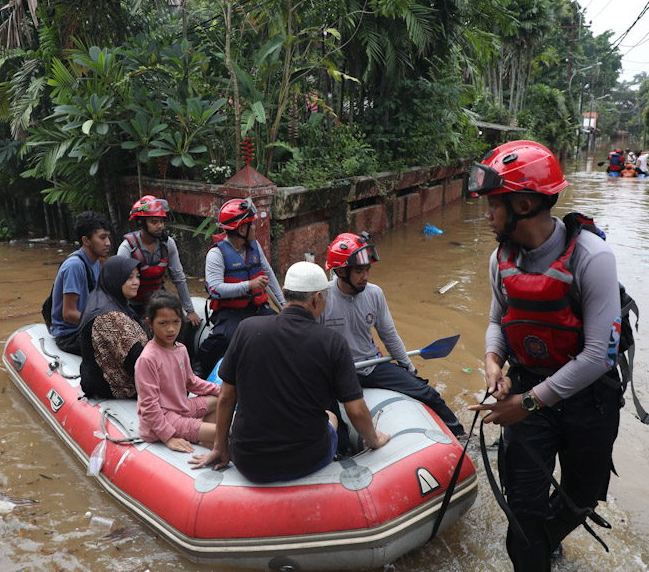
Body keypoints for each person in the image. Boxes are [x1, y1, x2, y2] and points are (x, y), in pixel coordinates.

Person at [466, 140, 624, 571]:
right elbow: (498, 320)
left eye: (493, 206)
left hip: (587, 399)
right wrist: (493, 362)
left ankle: (548, 540)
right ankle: (532, 549)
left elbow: (598, 355)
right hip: (527, 390)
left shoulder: (593, 258)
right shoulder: (501, 259)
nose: (487, 216)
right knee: (522, 513)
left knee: (582, 498)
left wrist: (528, 402)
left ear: (523, 203)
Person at [190, 262, 389, 482]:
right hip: (308, 459)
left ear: (284, 293)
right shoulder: (333, 342)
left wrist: (220, 447)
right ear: (317, 299)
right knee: (330, 416)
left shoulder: (247, 329)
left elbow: (226, 396)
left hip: (248, 460)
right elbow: (356, 410)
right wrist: (373, 440)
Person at [319, 232, 466, 439]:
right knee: (330, 416)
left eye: (368, 270)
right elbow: (310, 343)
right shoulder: (323, 297)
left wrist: (408, 367)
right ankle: (340, 450)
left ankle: (461, 435)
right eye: (359, 271)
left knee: (427, 393)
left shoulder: (374, 293)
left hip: (371, 365)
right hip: (338, 372)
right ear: (342, 271)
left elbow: (389, 335)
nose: (366, 277)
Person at [195, 197, 286, 377]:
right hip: (230, 312)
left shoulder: (254, 246)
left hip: (257, 308)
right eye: (251, 224)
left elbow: (269, 275)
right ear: (242, 229)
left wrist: (283, 305)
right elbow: (214, 289)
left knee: (284, 330)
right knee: (224, 339)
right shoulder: (216, 253)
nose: (255, 228)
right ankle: (199, 369)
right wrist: (248, 285)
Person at [135, 290, 220, 453]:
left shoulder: (180, 349)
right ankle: (211, 444)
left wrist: (222, 391)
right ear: (150, 323)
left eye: (176, 322)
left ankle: (207, 449)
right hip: (163, 420)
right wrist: (168, 437)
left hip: (181, 408)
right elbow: (149, 406)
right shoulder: (148, 359)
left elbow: (191, 382)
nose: (171, 329)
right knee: (222, 433)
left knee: (219, 399)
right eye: (163, 323)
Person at [117, 195, 201, 328]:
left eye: (162, 221)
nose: (160, 226)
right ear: (141, 222)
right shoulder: (128, 248)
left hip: (158, 300)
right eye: (154, 222)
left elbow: (178, 278)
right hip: (133, 304)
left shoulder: (168, 244)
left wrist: (190, 311)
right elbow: (118, 284)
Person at [78, 256, 149, 399]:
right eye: (129, 278)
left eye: (137, 277)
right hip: (114, 385)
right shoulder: (111, 316)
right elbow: (136, 359)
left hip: (96, 375)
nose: (136, 282)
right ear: (115, 278)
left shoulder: (100, 296)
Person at [49, 211, 112, 355]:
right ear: (86, 240)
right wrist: (103, 325)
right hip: (69, 334)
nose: (108, 243)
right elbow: (69, 313)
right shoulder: (74, 266)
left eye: (108, 237)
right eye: (102, 238)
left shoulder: (95, 262)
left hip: (85, 327)